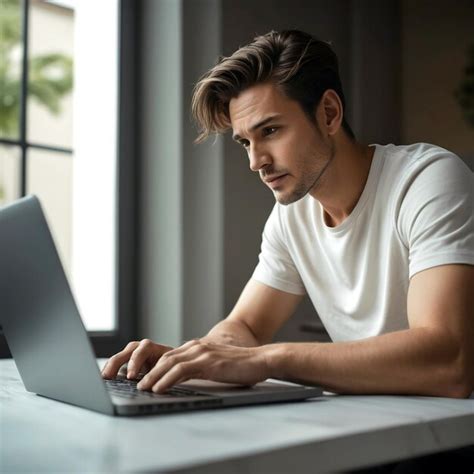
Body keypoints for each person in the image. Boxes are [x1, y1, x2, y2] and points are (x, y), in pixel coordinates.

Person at [102, 29, 474, 399]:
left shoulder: (427, 180)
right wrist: (196, 359)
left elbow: (450, 362)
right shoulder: (292, 216)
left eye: (271, 130)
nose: (255, 161)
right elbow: (245, 326)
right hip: (371, 423)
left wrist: (269, 359)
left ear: (328, 113)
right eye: (245, 142)